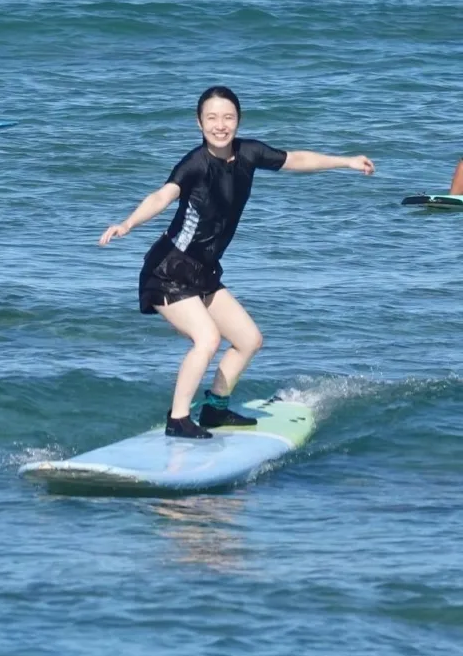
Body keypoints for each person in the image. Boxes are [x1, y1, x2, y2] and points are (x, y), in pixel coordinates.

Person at [98, 86, 375, 439]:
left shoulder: (249, 153)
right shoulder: (195, 164)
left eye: (228, 117)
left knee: (249, 340)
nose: (220, 125)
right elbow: (163, 195)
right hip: (168, 270)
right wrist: (128, 224)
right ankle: (178, 419)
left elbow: (297, 160)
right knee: (207, 339)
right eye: (211, 118)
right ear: (199, 123)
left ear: (238, 120)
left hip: (204, 272)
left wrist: (346, 161)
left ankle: (215, 409)